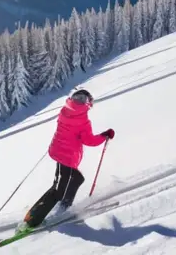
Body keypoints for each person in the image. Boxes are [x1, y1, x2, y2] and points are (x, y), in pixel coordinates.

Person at [18, 88, 115, 232]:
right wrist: (104, 135)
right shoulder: (83, 120)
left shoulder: (66, 110)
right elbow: (89, 140)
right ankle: (34, 219)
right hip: (67, 156)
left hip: (58, 151)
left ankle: (60, 207)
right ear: (87, 103)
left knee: (74, 179)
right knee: (59, 189)